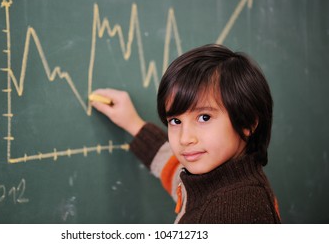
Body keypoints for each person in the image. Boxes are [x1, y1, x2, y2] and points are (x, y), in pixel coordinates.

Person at [91, 44, 281, 223]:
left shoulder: (232, 212)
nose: (184, 138)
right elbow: (174, 172)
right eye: (175, 121)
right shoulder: (215, 182)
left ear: (247, 121)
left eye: (204, 117)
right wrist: (134, 124)